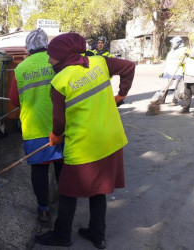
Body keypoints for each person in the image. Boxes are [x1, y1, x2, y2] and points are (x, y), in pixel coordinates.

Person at [34, 32, 135, 249]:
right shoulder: (99, 62)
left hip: (84, 145)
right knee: (98, 189)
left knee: (68, 191)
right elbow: (129, 67)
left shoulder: (60, 81)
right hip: (111, 140)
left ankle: (62, 235)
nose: (49, 60)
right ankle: (97, 234)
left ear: (62, 55)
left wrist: (55, 135)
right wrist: (121, 95)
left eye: (52, 56)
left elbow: (59, 122)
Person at [8, 28, 64, 222]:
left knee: (39, 169)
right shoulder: (57, 62)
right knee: (61, 164)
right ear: (46, 45)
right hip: (60, 125)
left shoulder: (21, 68)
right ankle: (65, 205)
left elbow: (14, 100)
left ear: (28, 47)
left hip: (34, 127)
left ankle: (44, 209)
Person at [161, 36, 187, 106]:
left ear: (178, 43)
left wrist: (182, 62)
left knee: (177, 87)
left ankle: (174, 101)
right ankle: (162, 99)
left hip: (177, 71)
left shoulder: (183, 50)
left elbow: (184, 60)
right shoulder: (171, 51)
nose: (172, 44)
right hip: (168, 71)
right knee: (166, 85)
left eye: (173, 43)